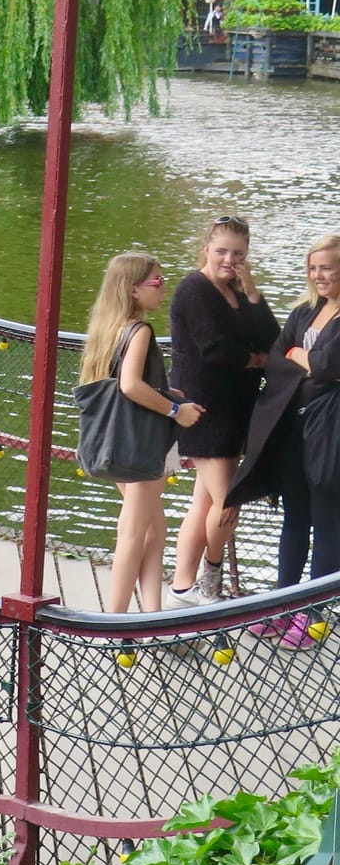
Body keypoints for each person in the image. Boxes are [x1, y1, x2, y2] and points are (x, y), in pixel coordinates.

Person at [226, 235, 340, 647]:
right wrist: (308, 363)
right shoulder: (305, 312)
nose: (318, 275)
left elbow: (329, 364)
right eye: (313, 268)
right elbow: (278, 358)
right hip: (293, 428)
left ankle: (313, 617)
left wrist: (303, 357)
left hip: (331, 433)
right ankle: (280, 607)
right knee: (295, 518)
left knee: (329, 523)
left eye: (326, 267)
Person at [165, 217, 278, 606]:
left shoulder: (235, 290)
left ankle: (182, 586)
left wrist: (251, 291)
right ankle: (209, 585)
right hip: (204, 410)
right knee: (228, 503)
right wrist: (256, 360)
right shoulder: (193, 289)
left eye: (239, 254)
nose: (230, 260)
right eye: (222, 251)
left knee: (204, 502)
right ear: (206, 249)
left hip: (236, 410)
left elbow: (273, 340)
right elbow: (215, 349)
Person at [79, 253, 198, 615]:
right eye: (157, 282)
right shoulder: (141, 330)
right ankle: (115, 621)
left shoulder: (107, 328)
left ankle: (152, 615)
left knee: (153, 530)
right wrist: (177, 410)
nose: (164, 288)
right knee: (132, 533)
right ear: (133, 290)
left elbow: (116, 384)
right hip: (140, 445)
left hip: (112, 444)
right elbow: (130, 386)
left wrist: (163, 393)